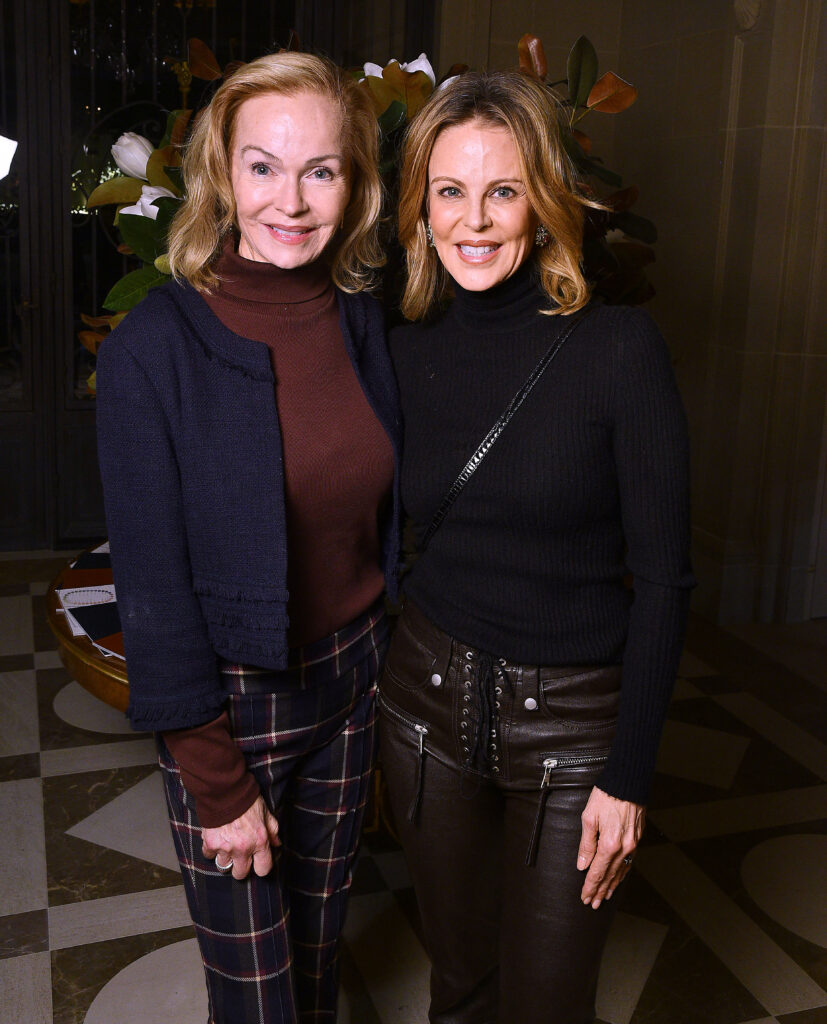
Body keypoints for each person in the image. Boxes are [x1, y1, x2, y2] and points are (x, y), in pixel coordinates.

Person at [379, 70, 694, 1024]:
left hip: (570, 735)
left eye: (502, 191)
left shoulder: (618, 350)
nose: (473, 220)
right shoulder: (402, 348)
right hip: (423, 713)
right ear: (420, 207)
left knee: (548, 1002)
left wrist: (627, 777)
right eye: (449, 191)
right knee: (459, 987)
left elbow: (666, 580)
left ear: (545, 201)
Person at [96, 51, 401, 1024]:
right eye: (262, 166)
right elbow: (150, 586)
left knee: (315, 960)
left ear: (354, 182)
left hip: (353, 683)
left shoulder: (362, 322)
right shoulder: (155, 346)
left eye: (321, 170)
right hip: (231, 705)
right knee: (257, 996)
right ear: (220, 173)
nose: (291, 201)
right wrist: (215, 779)